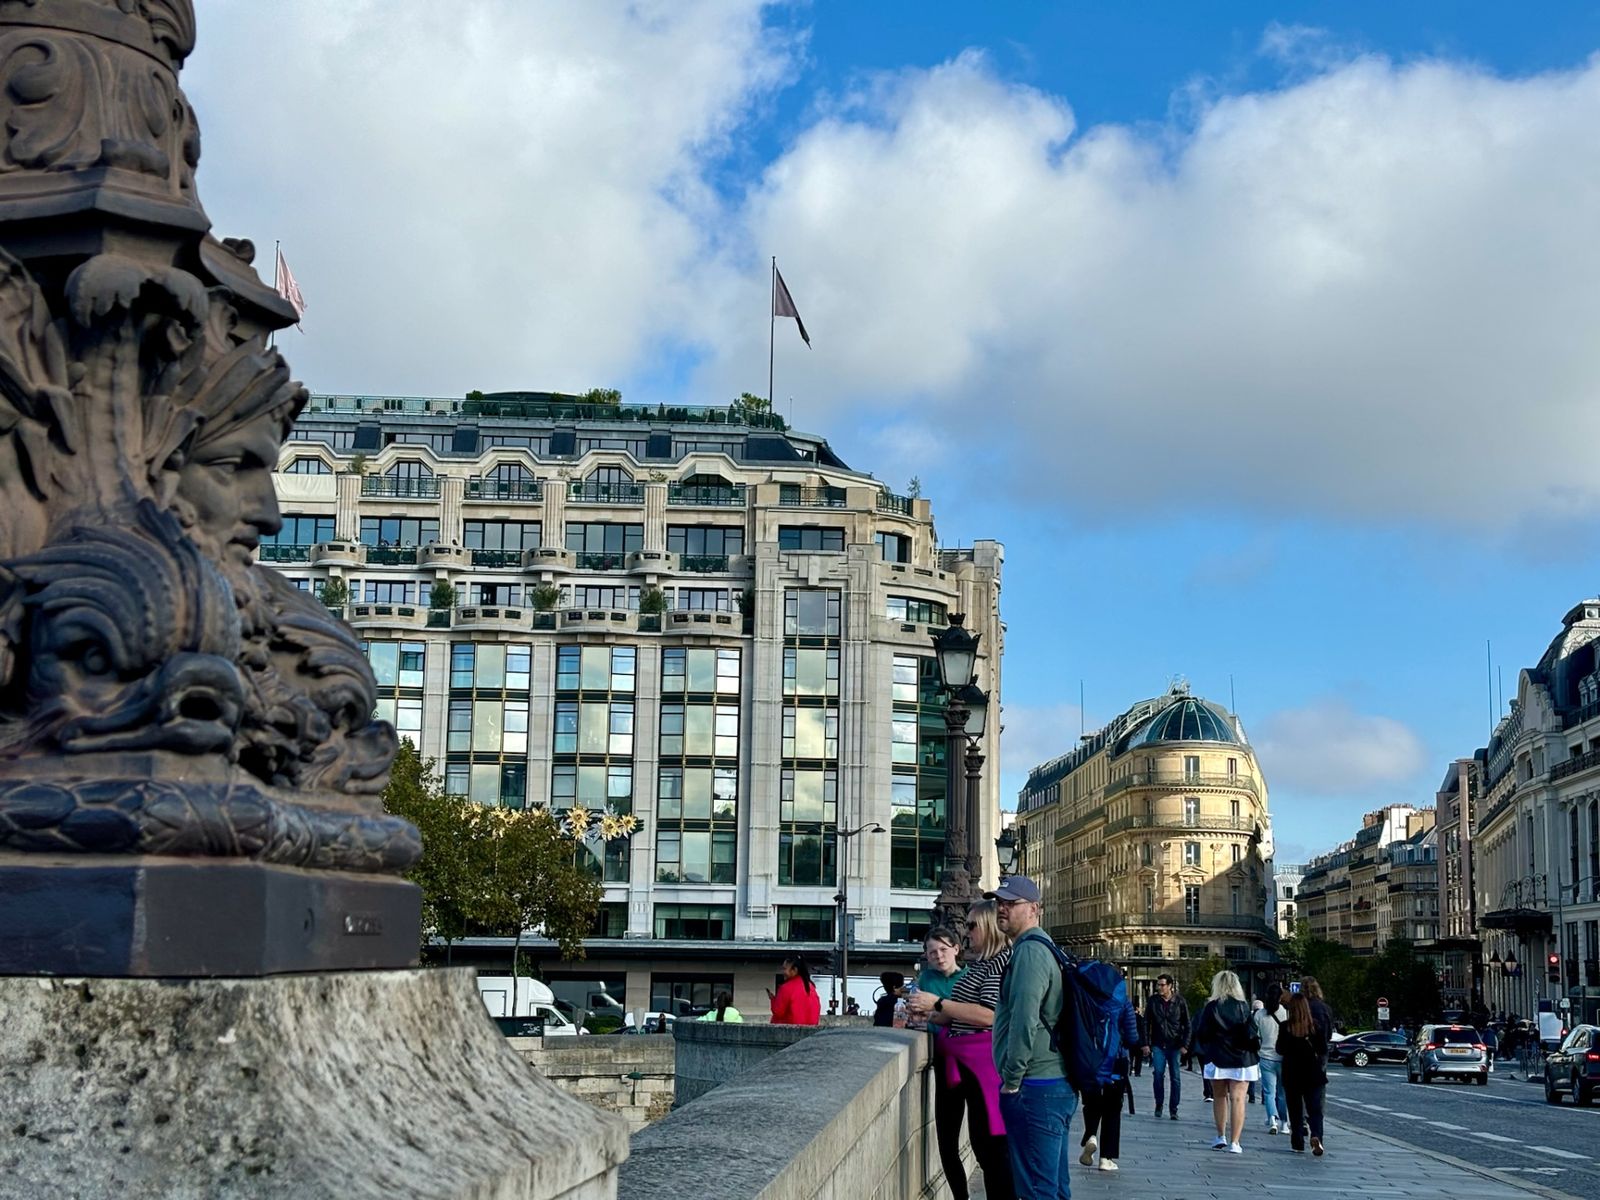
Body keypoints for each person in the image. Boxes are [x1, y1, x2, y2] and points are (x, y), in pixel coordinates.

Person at [908, 901, 1016, 1200]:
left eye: (971, 926)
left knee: (991, 1145)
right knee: (983, 1144)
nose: (966, 932)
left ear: (989, 927)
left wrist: (938, 1004)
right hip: (966, 1065)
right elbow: (958, 1013)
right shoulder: (982, 963)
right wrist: (928, 1014)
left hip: (984, 1068)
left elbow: (990, 1015)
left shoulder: (998, 963)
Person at [990, 876, 1074, 1199]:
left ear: (1035, 909)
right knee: (1052, 1187)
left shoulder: (1030, 953)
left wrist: (1012, 1079)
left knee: (1035, 1190)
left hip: (1035, 1086)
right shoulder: (1043, 947)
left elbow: (1025, 1019)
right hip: (1051, 1083)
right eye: (999, 902)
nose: (1002, 908)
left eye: (1011, 903)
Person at [912, 927, 968, 1194]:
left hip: (973, 1063)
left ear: (956, 949)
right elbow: (919, 1016)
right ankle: (961, 1195)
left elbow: (968, 1017)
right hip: (945, 1062)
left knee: (985, 1138)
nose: (938, 956)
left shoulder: (970, 977)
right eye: (932, 952)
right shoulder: (926, 979)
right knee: (947, 1140)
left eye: (944, 949)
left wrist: (935, 1010)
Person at [1077, 964, 1140, 1173]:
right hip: (1116, 1059)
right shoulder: (1121, 1000)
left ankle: (1091, 1134)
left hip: (1089, 1059)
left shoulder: (1084, 995)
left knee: (1091, 1101)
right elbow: (1132, 1035)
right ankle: (1106, 1158)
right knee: (1113, 1108)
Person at [1192, 970, 1259, 1154]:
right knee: (1238, 1099)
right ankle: (1235, 1142)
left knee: (1219, 1096)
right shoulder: (1243, 1006)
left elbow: (1203, 1032)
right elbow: (1252, 1030)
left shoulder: (1212, 1006)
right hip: (1242, 1058)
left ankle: (1220, 1135)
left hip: (1217, 1056)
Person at [1278, 992, 1328, 1156]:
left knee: (1295, 1109)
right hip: (1312, 1073)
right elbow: (1322, 1050)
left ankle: (1297, 1142)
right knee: (1315, 1109)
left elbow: (1280, 1049)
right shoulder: (1315, 1026)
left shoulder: (1286, 1027)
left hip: (1292, 1073)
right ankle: (1316, 1136)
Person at [1144, 972, 1190, 1120]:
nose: (1160, 988)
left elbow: (1188, 1025)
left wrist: (1185, 1044)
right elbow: (1146, 1023)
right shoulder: (1153, 1001)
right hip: (1158, 1043)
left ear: (1170, 986)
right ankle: (1159, 1104)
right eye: (1159, 985)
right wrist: (1145, 1043)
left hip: (1175, 1045)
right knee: (1158, 1074)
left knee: (1175, 1077)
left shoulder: (1180, 1002)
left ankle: (1173, 1109)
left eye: (1162, 985)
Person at [1254, 984, 1289, 1135]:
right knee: (1282, 1093)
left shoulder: (1259, 1014)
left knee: (1269, 1092)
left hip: (1265, 1056)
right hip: (1282, 1057)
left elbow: (1256, 1036)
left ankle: (1272, 1120)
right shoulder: (1286, 1013)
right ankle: (1285, 1123)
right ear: (1281, 996)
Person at [768, 954, 821, 1025]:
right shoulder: (810, 986)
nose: (783, 972)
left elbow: (778, 1011)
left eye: (785, 969)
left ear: (794, 970)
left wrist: (773, 1000)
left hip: (789, 1031)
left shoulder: (786, 988)